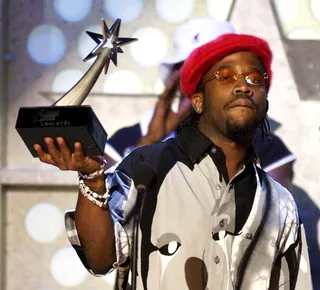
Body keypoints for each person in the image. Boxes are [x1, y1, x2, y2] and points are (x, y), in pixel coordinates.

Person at [34, 33, 312, 289]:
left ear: (265, 101)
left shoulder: (281, 201)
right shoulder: (146, 167)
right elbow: (100, 258)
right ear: (198, 101)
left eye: (255, 79)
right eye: (226, 77)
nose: (243, 86)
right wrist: (93, 180)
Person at [105, 18, 296, 191]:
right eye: (192, 72)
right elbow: (110, 213)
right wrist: (151, 143)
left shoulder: (266, 148)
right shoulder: (126, 141)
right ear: (175, 80)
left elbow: (271, 219)